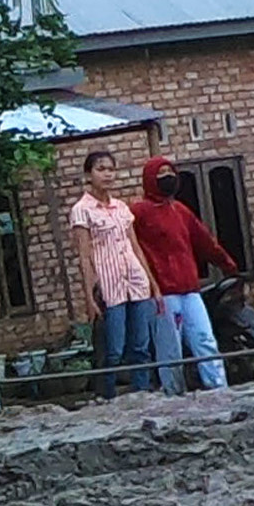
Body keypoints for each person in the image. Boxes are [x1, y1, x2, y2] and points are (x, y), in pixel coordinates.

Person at [134, 160, 238, 391]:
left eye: (170, 172)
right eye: (161, 173)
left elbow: (204, 241)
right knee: (170, 348)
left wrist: (228, 264)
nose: (167, 177)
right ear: (150, 178)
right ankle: (173, 392)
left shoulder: (180, 210)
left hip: (190, 289)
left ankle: (219, 388)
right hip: (163, 292)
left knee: (205, 339)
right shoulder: (139, 212)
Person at [66, 148, 162, 397]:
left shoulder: (121, 208)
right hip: (110, 287)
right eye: (101, 169)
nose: (107, 175)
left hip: (135, 281)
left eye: (110, 169)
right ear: (89, 174)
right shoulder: (82, 210)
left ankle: (143, 394)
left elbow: (135, 246)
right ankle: (107, 397)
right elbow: (85, 256)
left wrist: (153, 284)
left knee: (141, 345)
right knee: (113, 349)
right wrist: (88, 296)